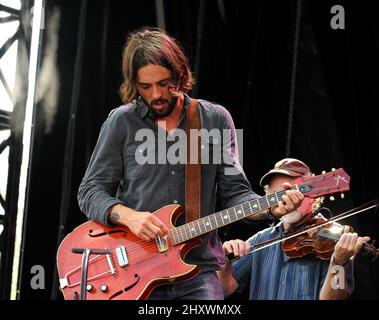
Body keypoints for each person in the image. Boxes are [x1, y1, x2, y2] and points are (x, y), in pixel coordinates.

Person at [77, 27, 304, 300]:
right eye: (145, 87)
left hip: (199, 271)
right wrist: (129, 216)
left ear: (179, 75)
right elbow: (89, 191)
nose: (156, 95)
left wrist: (271, 206)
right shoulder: (121, 122)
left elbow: (236, 194)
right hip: (135, 272)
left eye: (164, 83)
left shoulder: (217, 120)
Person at [218, 158, 371, 300]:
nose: (286, 202)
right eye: (276, 195)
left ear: (313, 195)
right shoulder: (260, 240)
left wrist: (339, 262)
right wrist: (227, 262)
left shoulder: (334, 239)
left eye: (293, 192)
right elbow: (223, 289)